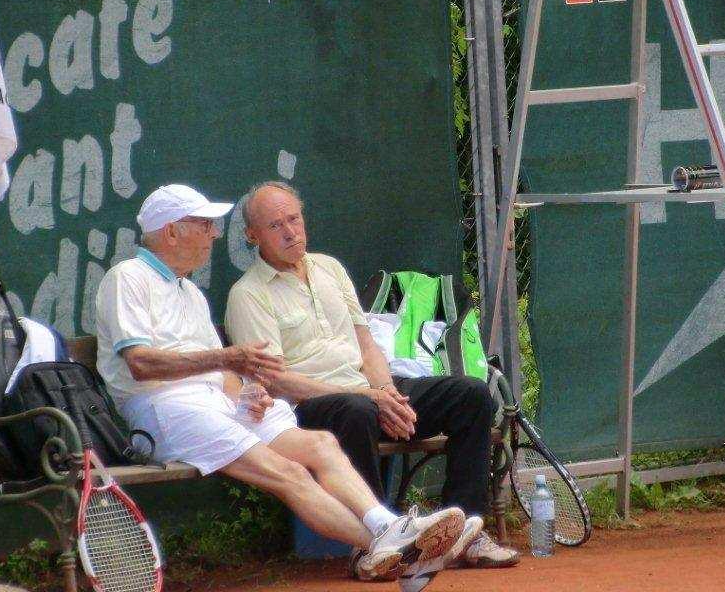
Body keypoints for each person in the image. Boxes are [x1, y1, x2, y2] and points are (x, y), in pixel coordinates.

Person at [95, 183, 468, 586]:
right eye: (204, 225)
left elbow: (222, 374)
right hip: (163, 410)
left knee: (320, 444)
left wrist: (247, 395)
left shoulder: (188, 292)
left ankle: (389, 531)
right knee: (287, 473)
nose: (214, 235)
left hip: (213, 403)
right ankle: (397, 550)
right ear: (172, 231)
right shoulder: (127, 278)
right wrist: (225, 359)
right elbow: (140, 363)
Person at [224, 181, 521, 583]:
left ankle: (465, 533)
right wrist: (368, 395)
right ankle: (376, 545)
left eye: (294, 219)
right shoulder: (247, 295)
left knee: (470, 394)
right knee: (357, 408)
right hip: (309, 408)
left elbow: (365, 343)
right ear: (252, 236)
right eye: (276, 225)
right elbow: (275, 382)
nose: (290, 232)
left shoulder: (329, 268)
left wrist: (389, 394)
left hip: (366, 389)